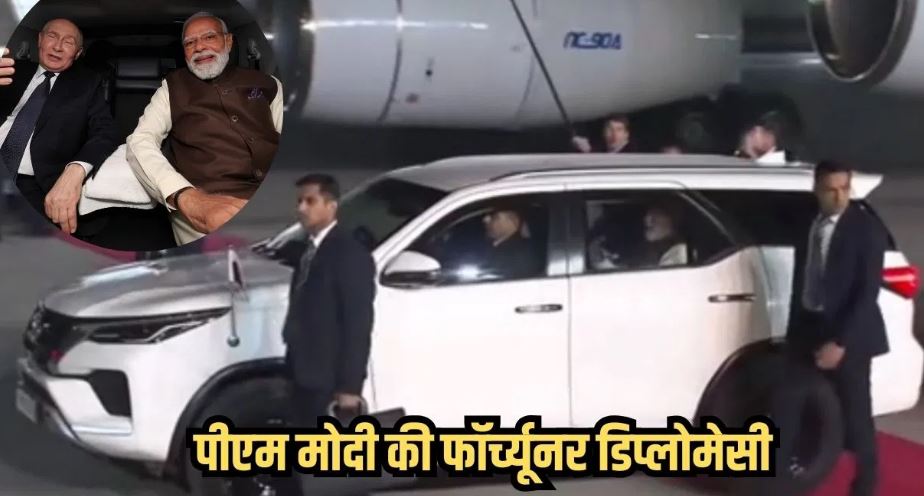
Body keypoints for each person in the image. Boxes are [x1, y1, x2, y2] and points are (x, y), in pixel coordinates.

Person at [0, 18, 173, 250]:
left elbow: (106, 131)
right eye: (52, 36)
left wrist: (76, 169)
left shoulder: (87, 83)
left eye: (68, 42)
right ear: (39, 39)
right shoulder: (9, 70)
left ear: (78, 53)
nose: (58, 46)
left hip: (34, 183)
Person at [771, 160, 889, 496]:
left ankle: (865, 486)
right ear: (816, 189)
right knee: (785, 407)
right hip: (807, 328)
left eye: (844, 189)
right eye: (830, 190)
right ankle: (776, 485)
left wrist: (840, 342)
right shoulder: (808, 220)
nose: (838, 197)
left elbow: (866, 293)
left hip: (849, 336)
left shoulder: (866, 229)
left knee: (856, 416)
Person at [126, 11, 284, 246]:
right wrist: (186, 197)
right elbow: (140, 140)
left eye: (209, 37)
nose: (199, 47)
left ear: (228, 41)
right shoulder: (172, 87)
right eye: (190, 43)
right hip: (207, 203)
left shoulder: (268, 84)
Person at [281, 173, 376, 429]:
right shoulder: (308, 250)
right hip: (301, 375)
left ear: (331, 206)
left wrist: (350, 387)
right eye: (299, 201)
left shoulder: (350, 254)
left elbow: (358, 325)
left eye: (310, 201)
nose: (301, 208)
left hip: (329, 382)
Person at [572, 114, 636, 154]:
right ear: (604, 133)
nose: (614, 133)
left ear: (626, 134)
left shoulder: (632, 152)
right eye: (610, 129)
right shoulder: (603, 149)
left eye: (619, 130)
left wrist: (589, 151)